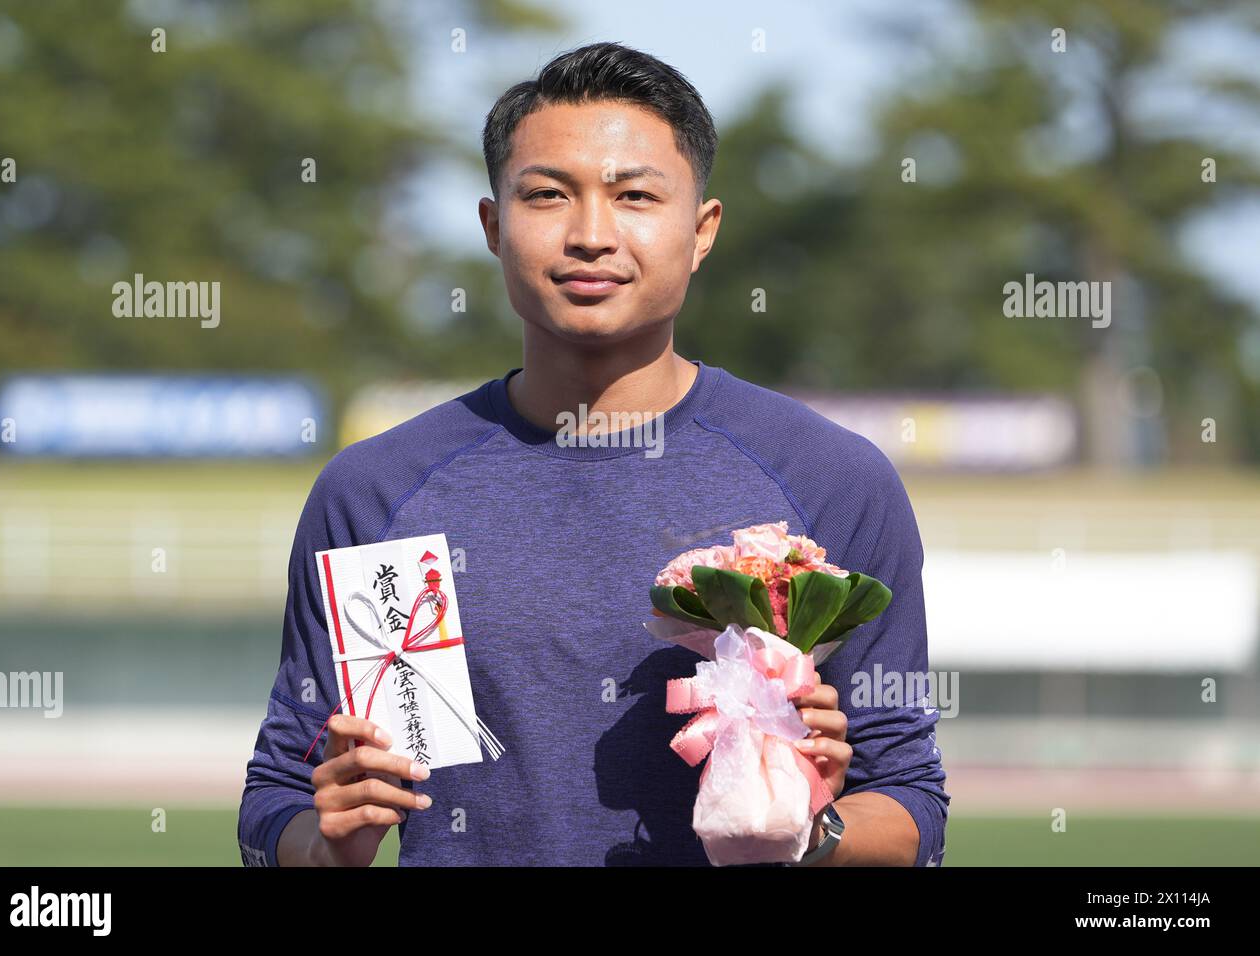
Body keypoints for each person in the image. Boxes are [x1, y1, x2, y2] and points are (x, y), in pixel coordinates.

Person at [237, 40, 949, 867]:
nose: (590, 234)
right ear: (494, 227)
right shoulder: (377, 491)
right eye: (547, 195)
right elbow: (276, 799)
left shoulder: (833, 479)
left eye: (635, 195)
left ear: (702, 228)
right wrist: (329, 842)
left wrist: (808, 828)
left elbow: (911, 804)